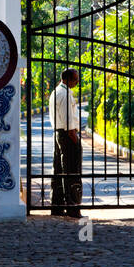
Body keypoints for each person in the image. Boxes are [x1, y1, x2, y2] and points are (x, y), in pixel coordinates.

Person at [48, 68, 82, 218]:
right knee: (71, 171)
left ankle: (57, 205)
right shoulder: (65, 94)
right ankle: (72, 207)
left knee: (59, 171)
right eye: (76, 79)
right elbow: (69, 123)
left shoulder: (56, 92)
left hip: (58, 133)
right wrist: (75, 140)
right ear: (68, 79)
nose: (77, 82)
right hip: (67, 135)